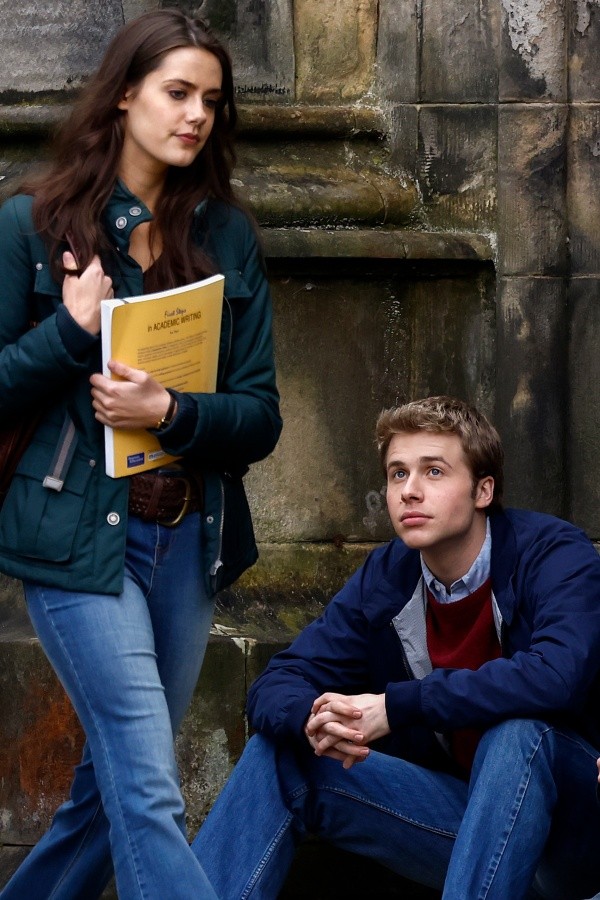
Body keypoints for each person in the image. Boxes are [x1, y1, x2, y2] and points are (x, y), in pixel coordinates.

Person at [0, 9, 281, 900]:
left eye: (211, 100)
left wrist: (171, 411)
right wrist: (67, 333)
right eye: (177, 92)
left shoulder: (227, 237)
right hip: (77, 542)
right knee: (151, 785)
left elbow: (260, 416)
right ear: (125, 95)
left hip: (187, 542)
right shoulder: (31, 224)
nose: (196, 115)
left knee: (107, 797)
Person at [191, 396, 600, 900]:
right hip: (473, 831)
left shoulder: (553, 553)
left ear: (483, 490)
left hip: (575, 839)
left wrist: (396, 706)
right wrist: (314, 720)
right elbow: (278, 681)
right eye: (397, 473)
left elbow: (555, 676)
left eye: (434, 471)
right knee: (285, 753)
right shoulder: (387, 577)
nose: (410, 490)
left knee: (516, 735)